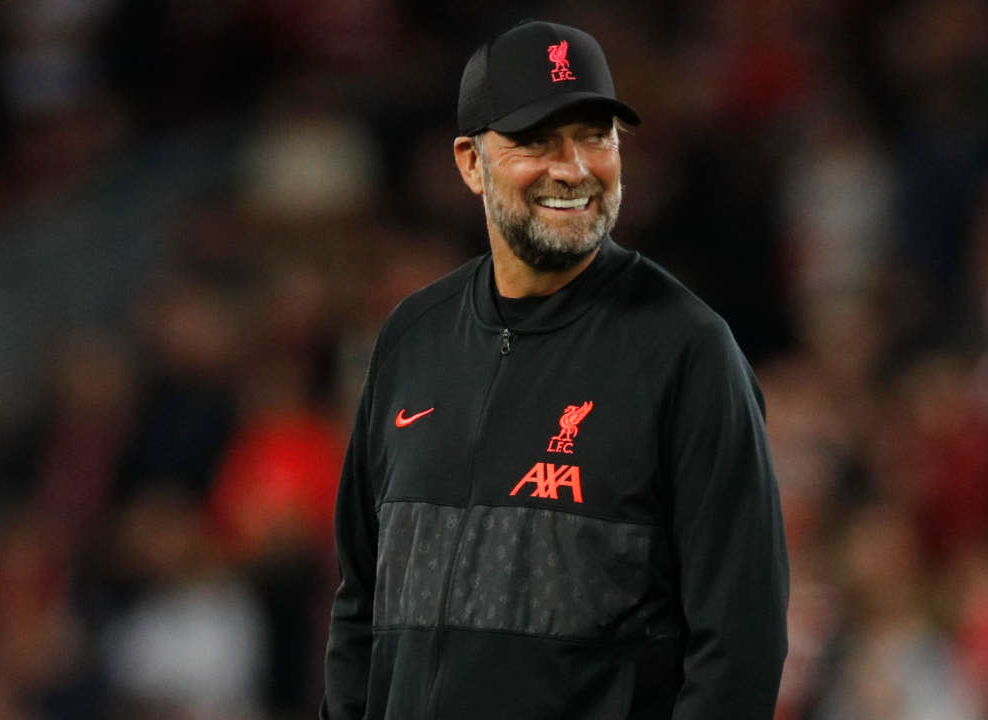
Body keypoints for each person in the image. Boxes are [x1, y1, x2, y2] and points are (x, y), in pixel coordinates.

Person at [322, 19, 789, 720]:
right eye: (536, 140)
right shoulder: (413, 338)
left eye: (595, 136)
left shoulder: (686, 352)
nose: (573, 168)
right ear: (470, 162)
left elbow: (740, 645)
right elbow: (361, 604)